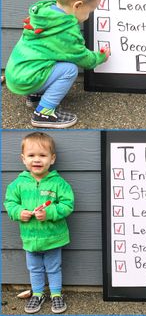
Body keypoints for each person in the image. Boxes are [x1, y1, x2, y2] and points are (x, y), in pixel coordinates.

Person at [5, 0, 110, 128]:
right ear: (78, 5)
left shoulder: (45, 14)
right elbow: (82, 57)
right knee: (69, 69)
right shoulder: (66, 32)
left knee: (48, 59)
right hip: (28, 78)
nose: (88, 16)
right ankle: (44, 113)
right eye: (89, 12)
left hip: (17, 72)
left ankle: (35, 96)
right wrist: (100, 57)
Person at [4, 132, 74, 314]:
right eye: (31, 155)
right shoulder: (17, 184)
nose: (37, 160)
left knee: (53, 267)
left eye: (42, 155)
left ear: (52, 159)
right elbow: (10, 203)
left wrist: (49, 212)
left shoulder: (59, 183)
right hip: (30, 238)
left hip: (53, 237)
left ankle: (56, 295)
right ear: (23, 159)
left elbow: (67, 205)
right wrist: (19, 213)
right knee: (34, 268)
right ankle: (37, 293)